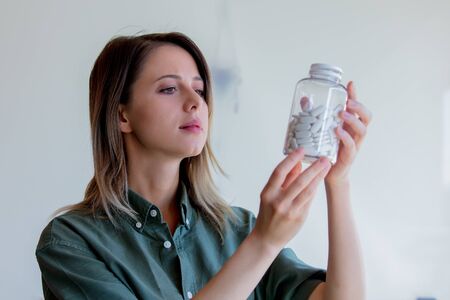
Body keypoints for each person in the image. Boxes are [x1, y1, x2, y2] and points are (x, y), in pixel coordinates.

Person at [35, 32, 371, 300]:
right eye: (168, 88)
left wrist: (337, 181)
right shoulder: (70, 243)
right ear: (122, 115)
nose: (196, 102)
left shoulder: (237, 229)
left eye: (199, 89)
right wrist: (263, 244)